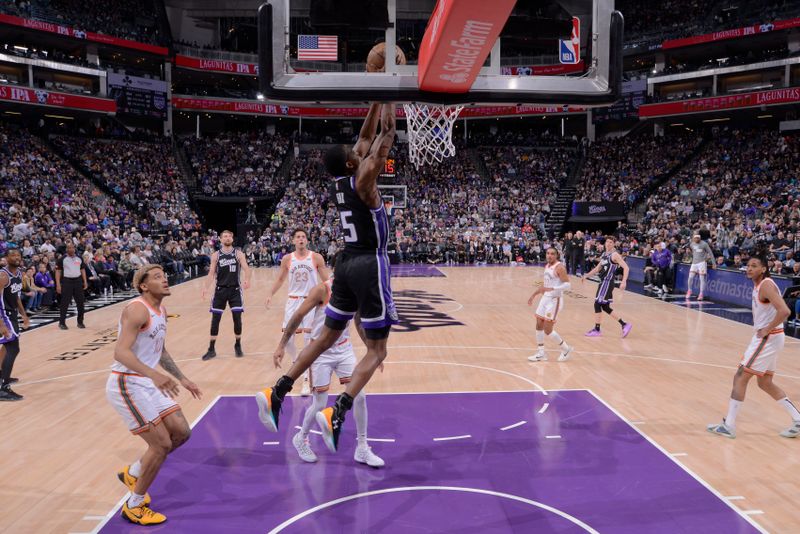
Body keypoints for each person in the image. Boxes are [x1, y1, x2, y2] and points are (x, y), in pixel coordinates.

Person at [256, 101, 399, 452]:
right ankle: (339, 411)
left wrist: (376, 97)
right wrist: (392, 94)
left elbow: (367, 135)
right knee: (378, 350)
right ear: (354, 162)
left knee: (322, 339)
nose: (359, 147)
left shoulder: (342, 180)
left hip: (345, 263)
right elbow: (387, 133)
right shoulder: (365, 182)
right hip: (369, 262)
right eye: (355, 152)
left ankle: (277, 391)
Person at [106, 264, 202, 524]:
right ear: (144, 286)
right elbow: (121, 353)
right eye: (158, 277)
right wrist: (154, 375)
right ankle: (134, 505)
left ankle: (133, 472)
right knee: (161, 444)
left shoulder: (161, 310)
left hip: (146, 383)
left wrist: (182, 378)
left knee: (182, 432)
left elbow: (160, 350)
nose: (165, 279)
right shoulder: (137, 309)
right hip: (127, 383)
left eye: (164, 275)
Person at [272, 269, 384, 467]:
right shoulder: (322, 290)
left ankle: (362, 447)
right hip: (320, 352)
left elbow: (358, 321)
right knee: (319, 404)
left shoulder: (355, 291)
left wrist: (372, 350)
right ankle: (301, 438)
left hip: (344, 351)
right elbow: (298, 315)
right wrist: (282, 344)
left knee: (360, 397)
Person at [707, 252, 799, 439]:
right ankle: (798, 419)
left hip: (768, 338)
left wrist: (766, 329)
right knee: (765, 382)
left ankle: (729, 426)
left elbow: (785, 311)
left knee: (740, 376)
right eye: (748, 265)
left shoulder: (765, 285)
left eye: (754, 265)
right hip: (772, 338)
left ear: (764, 269)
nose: (749, 268)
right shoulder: (759, 285)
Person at [265, 229, 328, 396]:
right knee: (288, 339)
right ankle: (296, 362)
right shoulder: (287, 259)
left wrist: (332, 296)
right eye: (298, 237)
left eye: (303, 237)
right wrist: (271, 294)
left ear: (307, 240)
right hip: (292, 301)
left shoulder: (316, 257)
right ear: (293, 240)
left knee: (308, 340)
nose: (301, 239)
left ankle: (306, 378)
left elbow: (326, 280)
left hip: (310, 301)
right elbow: (280, 279)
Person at [200, 230, 251, 360]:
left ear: (232, 239)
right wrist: (205, 287)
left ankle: (238, 345)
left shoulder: (238, 254)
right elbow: (211, 273)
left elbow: (246, 268)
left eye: (229, 236)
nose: (227, 238)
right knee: (215, 320)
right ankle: (211, 349)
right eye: (225, 236)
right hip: (220, 291)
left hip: (235, 290)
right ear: (221, 240)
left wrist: (247, 279)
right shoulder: (216, 255)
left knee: (237, 319)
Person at [527, 247, 573, 362]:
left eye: (552, 254)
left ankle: (566, 349)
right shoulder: (547, 266)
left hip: (555, 300)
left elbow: (568, 285)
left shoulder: (560, 267)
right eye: (548, 253)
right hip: (545, 298)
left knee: (548, 329)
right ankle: (541, 353)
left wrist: (553, 288)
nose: (549, 255)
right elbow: (545, 284)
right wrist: (534, 294)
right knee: (538, 324)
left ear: (556, 255)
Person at [582, 236, 632, 338]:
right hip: (603, 282)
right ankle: (624, 324)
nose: (608, 244)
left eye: (611, 242)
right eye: (607, 242)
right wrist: (586, 275)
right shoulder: (605, 254)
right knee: (605, 307)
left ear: (613, 244)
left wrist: (624, 281)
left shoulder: (615, 255)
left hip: (607, 282)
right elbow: (597, 268)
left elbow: (626, 267)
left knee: (597, 304)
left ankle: (597, 329)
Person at [0, 249, 29, 401]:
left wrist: (24, 315)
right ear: (6, 258)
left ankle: (1, 375)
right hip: (4, 316)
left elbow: (17, 298)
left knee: (7, 346)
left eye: (18, 255)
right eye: (13, 255)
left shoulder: (18, 274)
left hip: (12, 315)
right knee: (13, 348)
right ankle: (3, 388)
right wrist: (1, 324)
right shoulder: (3, 275)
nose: (16, 257)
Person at [56, 243, 88, 330]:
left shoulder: (79, 258)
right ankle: (62, 323)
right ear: (66, 249)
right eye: (69, 248)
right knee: (65, 303)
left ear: (75, 248)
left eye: (72, 247)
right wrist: (58, 284)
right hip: (67, 281)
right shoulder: (62, 259)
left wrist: (85, 281)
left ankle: (80, 322)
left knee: (80, 302)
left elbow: (82, 270)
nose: (71, 249)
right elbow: (58, 272)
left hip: (78, 281)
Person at [686, 234, 715, 301]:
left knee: (701, 279)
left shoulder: (704, 244)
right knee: (690, 277)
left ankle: (701, 294)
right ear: (693, 238)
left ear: (699, 238)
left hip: (702, 263)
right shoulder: (692, 244)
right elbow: (694, 252)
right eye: (695, 238)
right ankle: (689, 290)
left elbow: (710, 253)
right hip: (694, 263)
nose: (696, 239)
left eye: (697, 238)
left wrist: (714, 263)